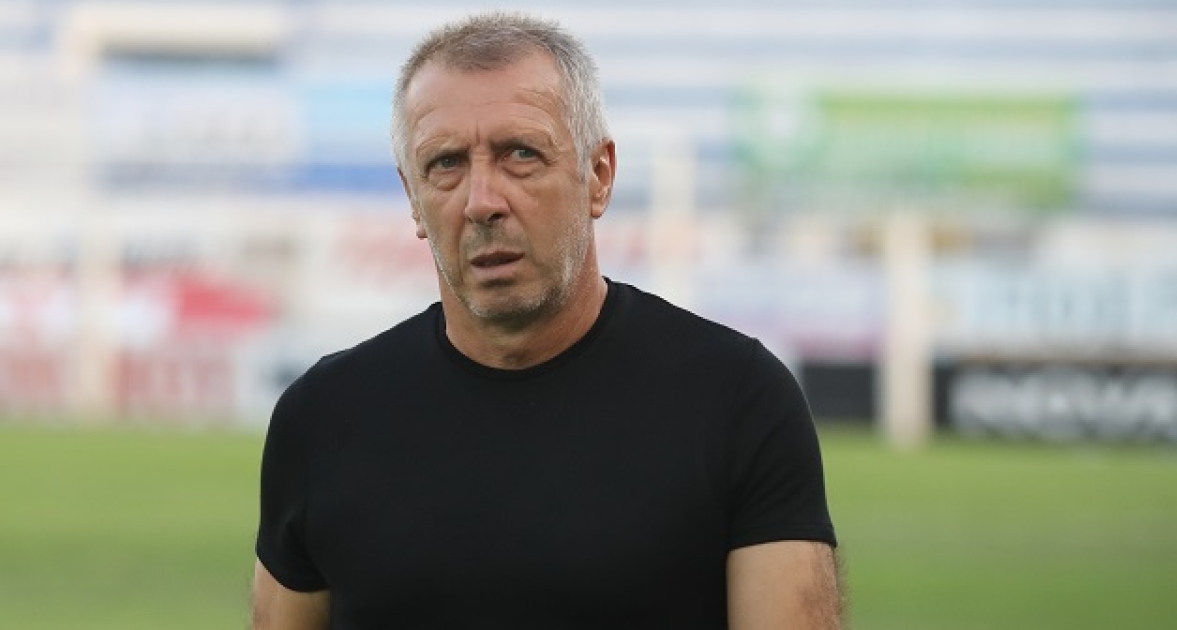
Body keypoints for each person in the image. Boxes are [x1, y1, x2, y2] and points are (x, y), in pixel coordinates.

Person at [252, 11, 841, 629]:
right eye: (446, 163)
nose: (482, 201)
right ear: (413, 199)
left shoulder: (738, 401)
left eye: (521, 154)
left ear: (598, 176)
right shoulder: (322, 418)